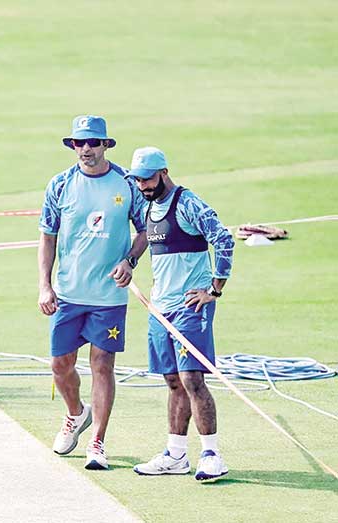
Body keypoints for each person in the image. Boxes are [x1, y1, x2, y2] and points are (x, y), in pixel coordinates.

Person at [38, 115, 148, 470]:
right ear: (73, 146)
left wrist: (130, 261)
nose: (86, 149)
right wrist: (45, 284)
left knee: (102, 365)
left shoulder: (127, 185)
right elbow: (48, 236)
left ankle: (97, 443)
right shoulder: (59, 185)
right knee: (60, 365)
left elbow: (145, 230)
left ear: (105, 145)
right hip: (69, 294)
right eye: (79, 143)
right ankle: (75, 414)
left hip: (109, 297)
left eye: (93, 143)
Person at [127, 146, 235, 481]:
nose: (142, 186)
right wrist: (129, 262)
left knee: (192, 379)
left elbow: (224, 239)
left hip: (191, 307)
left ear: (163, 172)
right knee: (172, 380)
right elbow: (146, 242)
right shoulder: (148, 207)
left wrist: (214, 290)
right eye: (138, 180)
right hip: (160, 309)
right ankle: (175, 454)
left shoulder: (187, 203)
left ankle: (212, 454)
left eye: (147, 179)